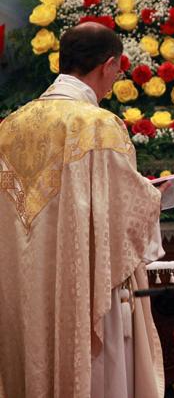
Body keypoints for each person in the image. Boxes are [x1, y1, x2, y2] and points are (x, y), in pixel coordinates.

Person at [0, 22, 165, 398]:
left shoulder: (9, 127)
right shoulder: (98, 126)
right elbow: (125, 212)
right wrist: (156, 196)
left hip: (23, 291)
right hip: (83, 284)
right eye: (117, 70)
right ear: (109, 65)